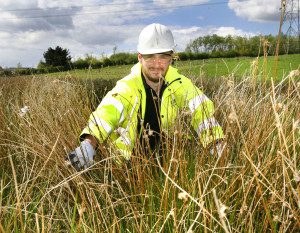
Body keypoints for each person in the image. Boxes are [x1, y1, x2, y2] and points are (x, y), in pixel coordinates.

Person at [68, 23, 225, 171]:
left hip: (170, 160)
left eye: (163, 56)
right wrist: (88, 144)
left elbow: (201, 110)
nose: (156, 64)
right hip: (130, 164)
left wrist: (216, 144)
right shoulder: (127, 86)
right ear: (139, 57)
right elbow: (106, 113)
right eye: (150, 56)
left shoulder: (181, 84)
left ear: (172, 58)